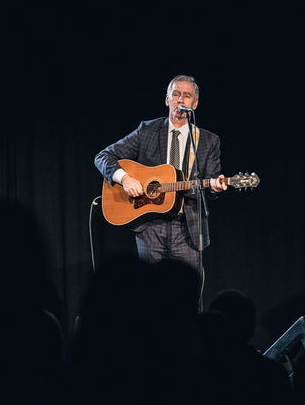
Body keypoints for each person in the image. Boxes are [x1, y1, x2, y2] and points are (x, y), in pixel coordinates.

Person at [95, 75, 227, 273]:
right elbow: (103, 156)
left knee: (186, 295)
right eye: (175, 94)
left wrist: (216, 186)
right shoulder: (147, 130)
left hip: (187, 229)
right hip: (150, 226)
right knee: (152, 294)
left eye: (187, 95)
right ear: (167, 99)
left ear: (195, 103)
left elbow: (210, 188)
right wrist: (125, 178)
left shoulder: (208, 140)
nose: (180, 100)